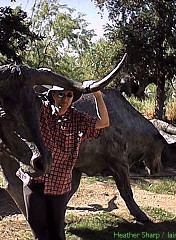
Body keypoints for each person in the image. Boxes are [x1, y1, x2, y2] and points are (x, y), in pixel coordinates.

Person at [22, 82, 110, 240]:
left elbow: (103, 122)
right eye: (60, 94)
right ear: (53, 95)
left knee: (57, 233)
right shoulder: (41, 111)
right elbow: (24, 98)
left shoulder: (77, 118)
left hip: (59, 185)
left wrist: (97, 95)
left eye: (69, 95)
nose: (65, 99)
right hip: (34, 181)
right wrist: (34, 81)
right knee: (39, 233)